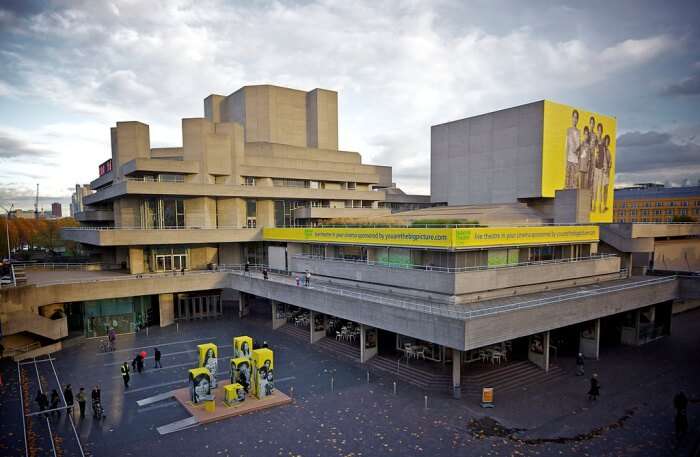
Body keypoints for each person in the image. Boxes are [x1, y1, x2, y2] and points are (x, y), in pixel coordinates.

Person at [565, 109, 581, 189]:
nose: (575, 119)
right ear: (572, 118)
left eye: (576, 118)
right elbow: (567, 145)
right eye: (574, 117)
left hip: (576, 160)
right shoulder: (568, 130)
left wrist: (576, 149)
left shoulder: (579, 132)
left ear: (578, 119)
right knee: (567, 183)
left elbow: (579, 145)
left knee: (575, 183)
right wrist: (565, 159)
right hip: (569, 159)